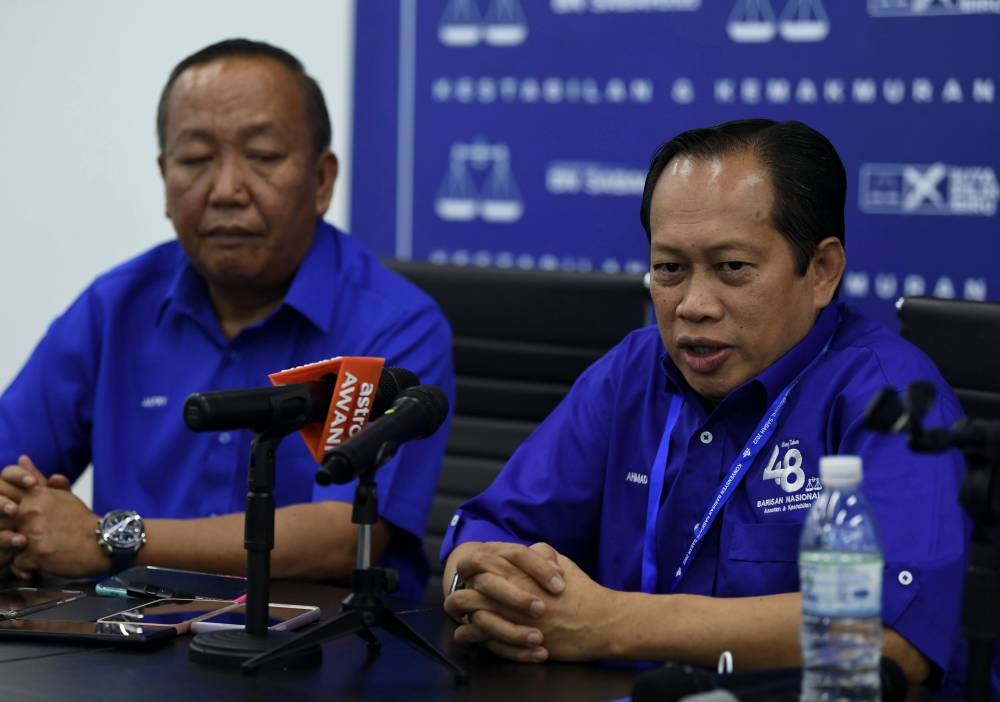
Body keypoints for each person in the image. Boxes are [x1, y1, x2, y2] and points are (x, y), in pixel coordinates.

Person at [440, 119, 968, 688]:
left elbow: (893, 639)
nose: (693, 305)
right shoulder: (633, 370)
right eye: (669, 269)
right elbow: (485, 531)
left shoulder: (889, 397)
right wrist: (478, 583)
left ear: (822, 271)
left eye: (731, 269)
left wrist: (613, 624)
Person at [0, 39, 454, 601]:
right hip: (126, 647)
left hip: (319, 657)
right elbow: (10, 461)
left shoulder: (392, 324)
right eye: (194, 160)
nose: (225, 191)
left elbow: (343, 534)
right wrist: (15, 517)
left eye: (262, 157)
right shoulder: (114, 306)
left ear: (321, 181)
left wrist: (108, 538)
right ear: (164, 178)